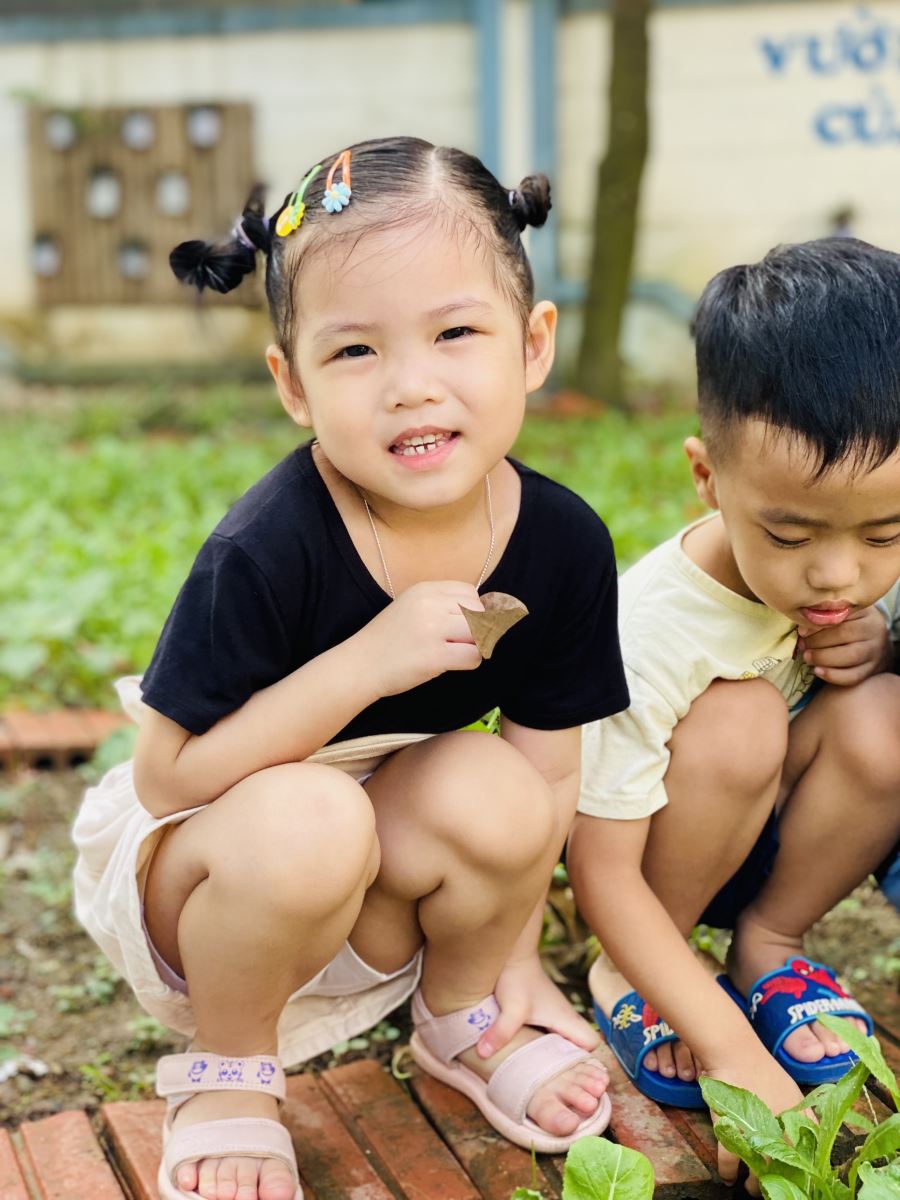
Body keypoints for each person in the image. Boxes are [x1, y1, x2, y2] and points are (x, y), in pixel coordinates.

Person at [72, 137, 629, 1200]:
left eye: (456, 333)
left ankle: (463, 1017)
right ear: (293, 383)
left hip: (374, 869)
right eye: (356, 351)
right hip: (209, 874)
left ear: (533, 345)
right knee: (311, 819)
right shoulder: (266, 549)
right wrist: (366, 662)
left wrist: (514, 956)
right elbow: (167, 778)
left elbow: (549, 772)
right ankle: (230, 1070)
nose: (412, 388)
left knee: (502, 787)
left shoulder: (562, 543)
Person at [568, 238, 900, 1167]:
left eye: (885, 535)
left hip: (778, 835)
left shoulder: (845, 585)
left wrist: (877, 643)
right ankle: (636, 975)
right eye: (790, 536)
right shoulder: (652, 632)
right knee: (744, 717)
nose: (838, 576)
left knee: (887, 715)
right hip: (646, 870)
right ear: (707, 477)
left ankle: (770, 944)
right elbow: (599, 868)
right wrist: (730, 1052)